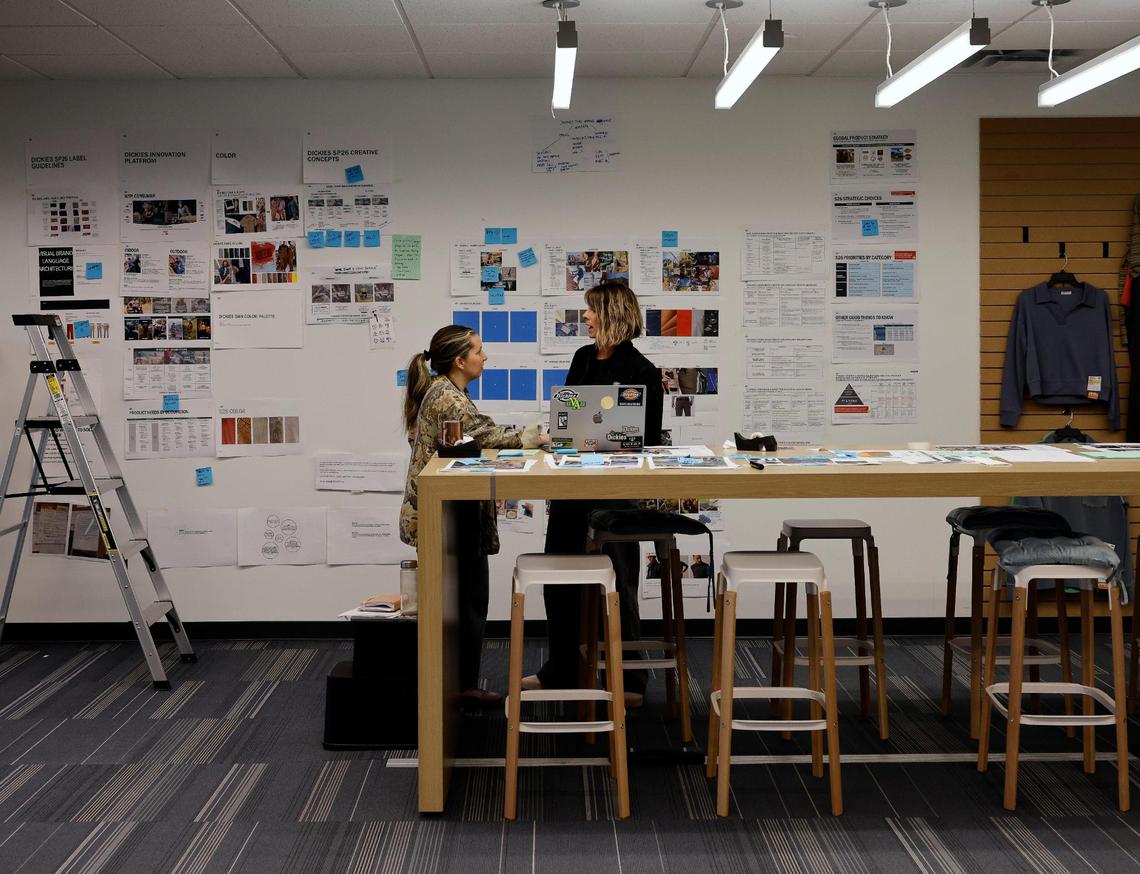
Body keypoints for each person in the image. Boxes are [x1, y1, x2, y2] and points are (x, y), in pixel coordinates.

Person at [527, 279, 664, 706]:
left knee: (618, 584)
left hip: (614, 492)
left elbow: (649, 437)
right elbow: (568, 417)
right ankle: (561, 670)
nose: (584, 316)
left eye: (590, 310)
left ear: (610, 315)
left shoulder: (642, 370)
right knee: (560, 579)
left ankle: (630, 679)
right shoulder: (582, 357)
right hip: (572, 485)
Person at [400, 325, 548, 705]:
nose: (485, 357)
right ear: (459, 360)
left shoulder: (447, 392)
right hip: (447, 517)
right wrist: (530, 437)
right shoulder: (448, 398)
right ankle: (458, 688)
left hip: (449, 512)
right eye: (479, 351)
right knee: (466, 602)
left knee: (464, 600)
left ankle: (458, 685)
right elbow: (483, 434)